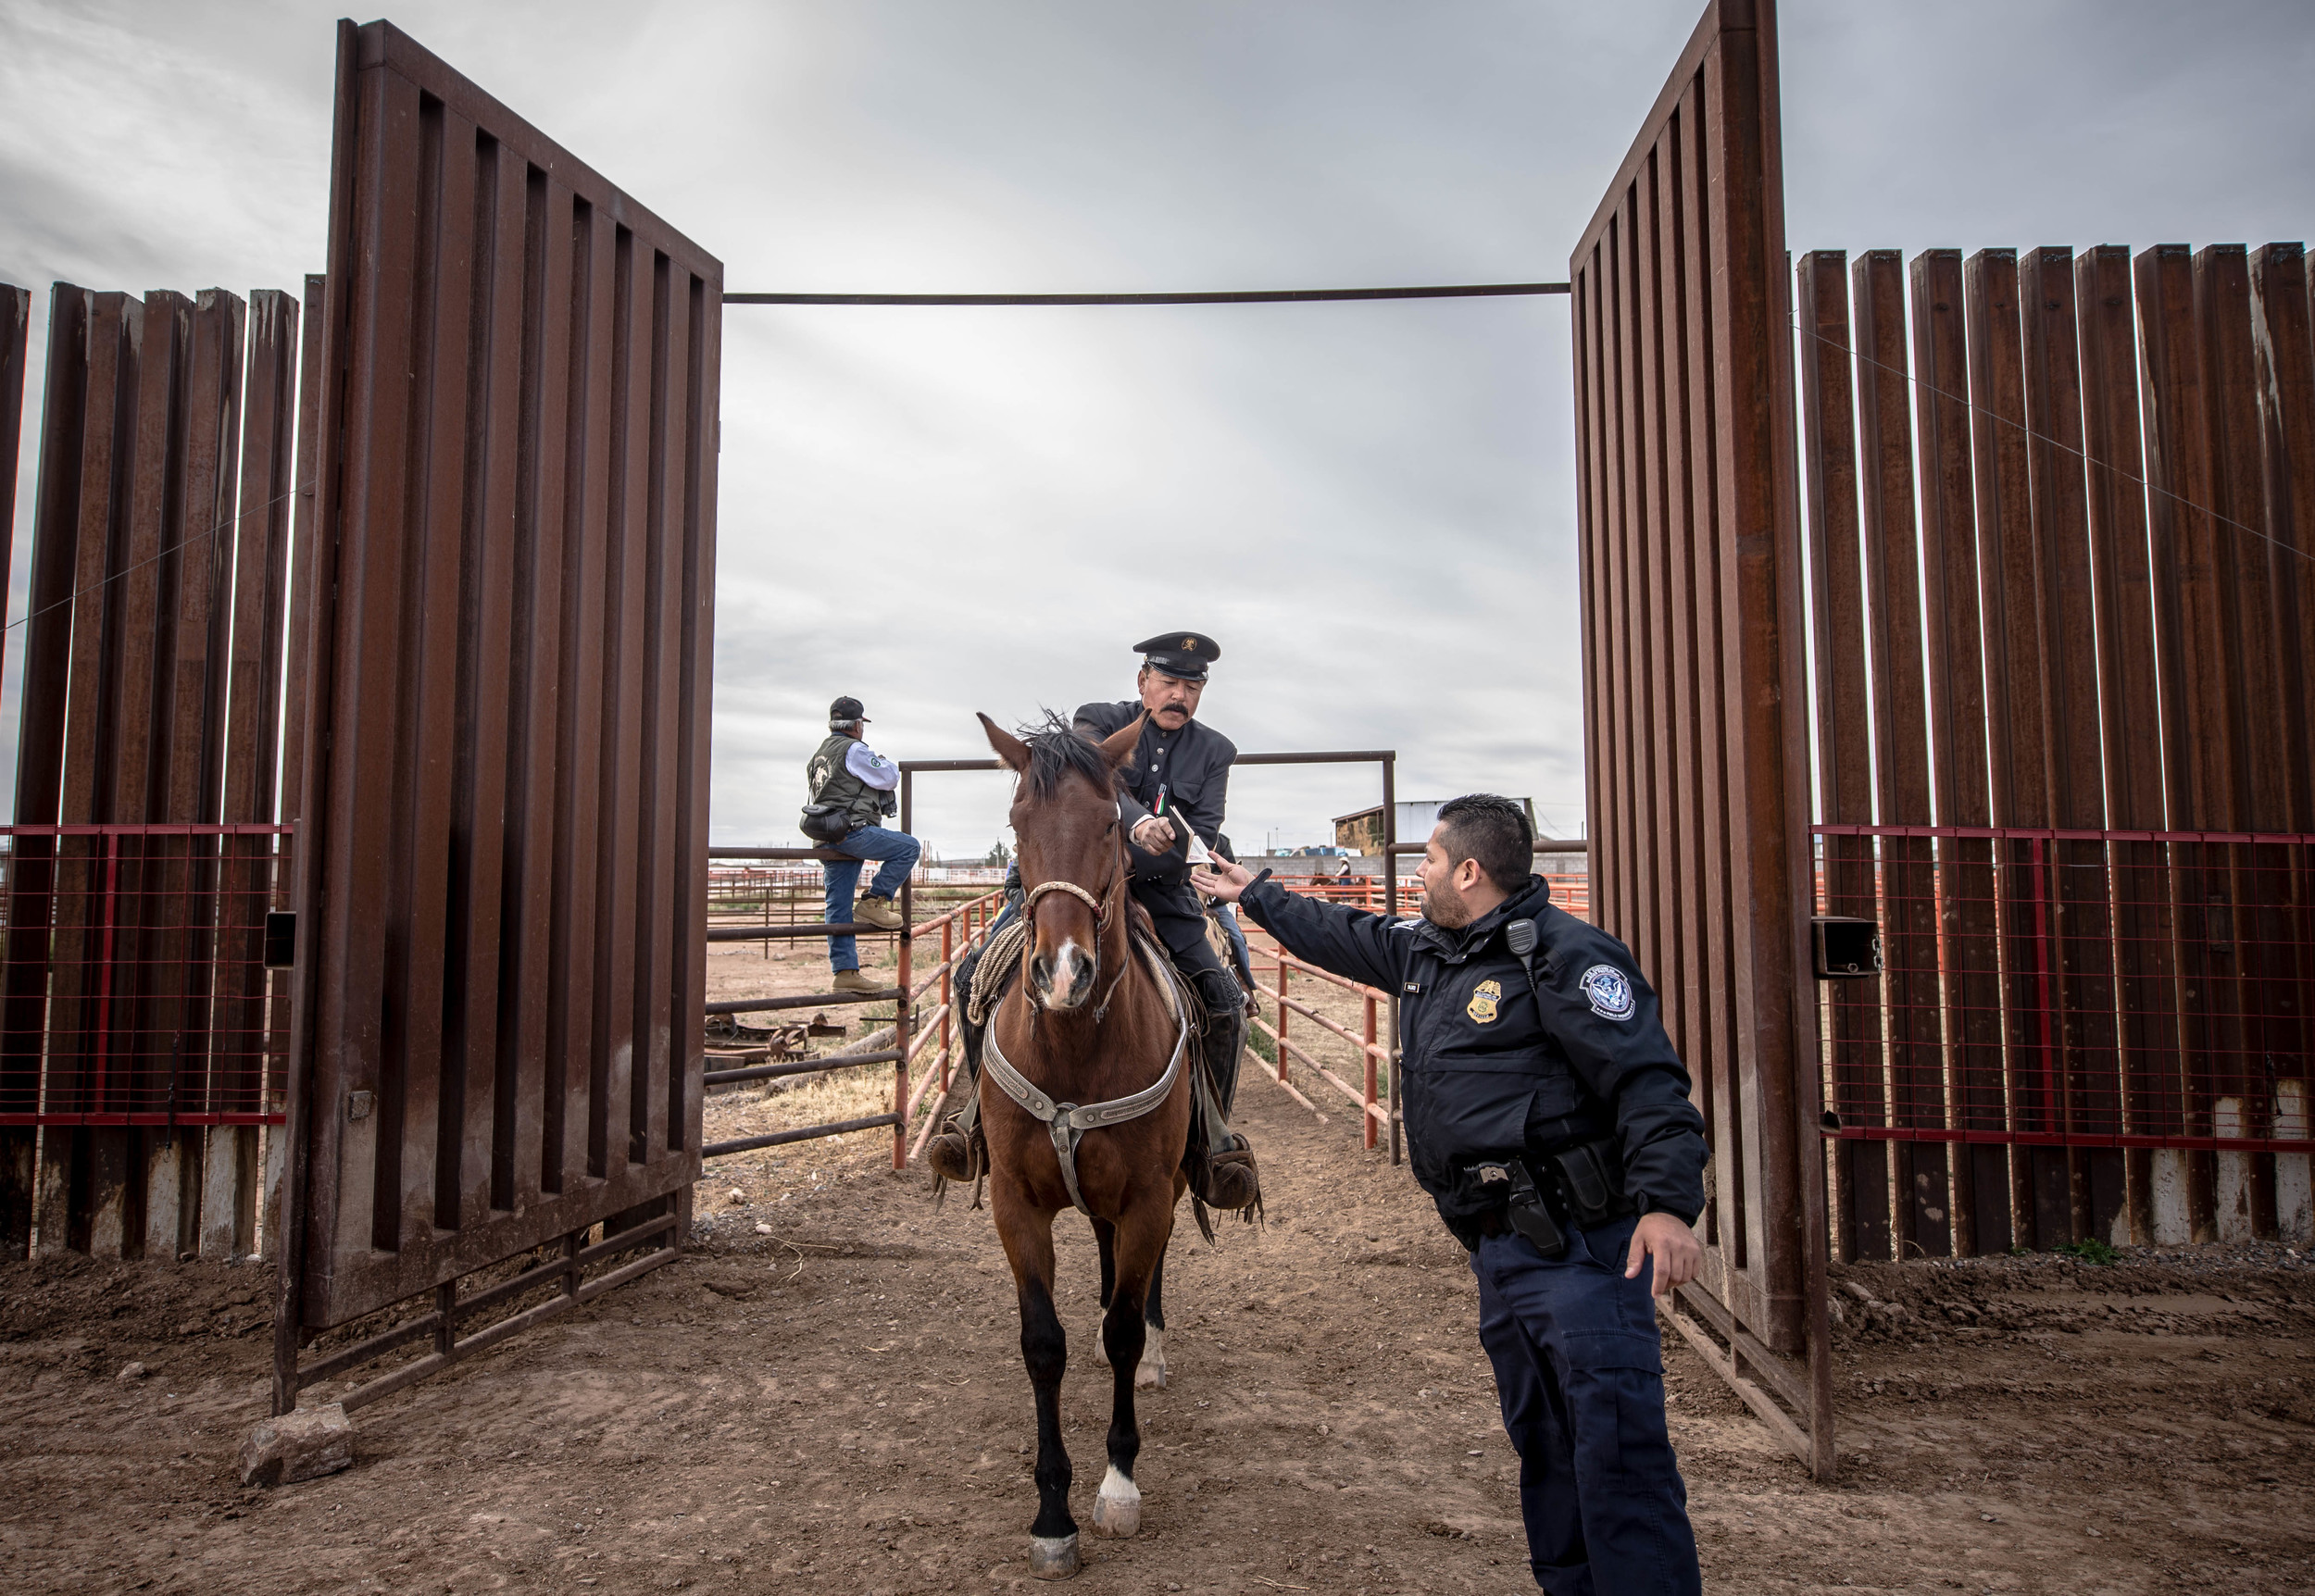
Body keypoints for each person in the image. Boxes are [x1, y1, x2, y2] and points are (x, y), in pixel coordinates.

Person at [1193, 793, 1708, 1595]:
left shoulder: (1568, 958)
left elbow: (1649, 1084)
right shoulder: (1435, 950)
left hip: (1583, 1253)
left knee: (1617, 1455)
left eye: (1427, 861)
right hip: (1501, 1247)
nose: (1417, 876)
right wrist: (1255, 892)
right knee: (1544, 1448)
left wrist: (1670, 1206)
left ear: (1468, 871)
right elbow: (1347, 935)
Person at [927, 631, 1258, 1212]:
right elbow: (1079, 785)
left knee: (1225, 1001)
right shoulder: (1096, 721)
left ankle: (1210, 1142)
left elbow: (1199, 836)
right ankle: (978, 1123)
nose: (1179, 695)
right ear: (1143, 682)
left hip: (1161, 898)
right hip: (1070, 888)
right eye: (1170, 682)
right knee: (973, 977)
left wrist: (1168, 845)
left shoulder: (1216, 751)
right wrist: (1131, 825)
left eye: (1192, 685)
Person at [807, 696, 920, 995]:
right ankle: (874, 901)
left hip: (826, 834)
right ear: (857, 725)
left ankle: (845, 972)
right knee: (909, 848)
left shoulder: (820, 753)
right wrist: (883, 762)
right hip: (852, 832)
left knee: (837, 905)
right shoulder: (854, 750)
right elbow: (889, 777)